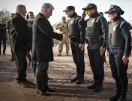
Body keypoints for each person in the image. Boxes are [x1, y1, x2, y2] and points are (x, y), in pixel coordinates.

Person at [32, 3, 67, 95]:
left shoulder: (42, 19)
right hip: (41, 48)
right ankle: (40, 88)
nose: (51, 14)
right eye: (50, 11)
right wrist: (61, 36)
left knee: (44, 68)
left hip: (44, 48)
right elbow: (48, 32)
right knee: (41, 68)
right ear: (45, 10)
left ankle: (45, 86)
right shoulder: (40, 19)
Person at [105, 5, 131, 101]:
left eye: (110, 14)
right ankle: (118, 93)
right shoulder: (110, 23)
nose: (109, 16)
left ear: (115, 14)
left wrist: (126, 54)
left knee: (121, 74)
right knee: (115, 74)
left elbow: (128, 39)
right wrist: (106, 48)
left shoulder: (123, 23)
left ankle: (123, 96)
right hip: (111, 51)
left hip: (120, 51)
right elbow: (108, 37)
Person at [81, 3, 108, 92]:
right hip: (90, 46)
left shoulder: (100, 19)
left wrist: (104, 45)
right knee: (93, 65)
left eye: (87, 10)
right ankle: (96, 82)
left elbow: (105, 32)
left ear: (93, 10)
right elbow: (81, 27)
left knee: (99, 66)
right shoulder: (88, 20)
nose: (86, 12)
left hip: (98, 46)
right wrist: (82, 18)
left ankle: (100, 85)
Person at [10, 4, 34, 88]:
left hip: (23, 45)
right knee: (20, 64)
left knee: (24, 63)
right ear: (20, 9)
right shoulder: (15, 18)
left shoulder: (21, 18)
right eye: (24, 10)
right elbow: (20, 33)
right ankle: (20, 81)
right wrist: (27, 43)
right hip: (18, 45)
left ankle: (23, 79)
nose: (26, 11)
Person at [63, 6, 85, 84]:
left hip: (78, 42)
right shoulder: (69, 20)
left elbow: (82, 31)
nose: (66, 13)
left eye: (67, 11)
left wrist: (82, 42)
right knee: (76, 60)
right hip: (72, 42)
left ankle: (81, 78)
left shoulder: (78, 19)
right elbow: (70, 31)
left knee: (80, 60)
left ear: (72, 11)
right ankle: (78, 75)